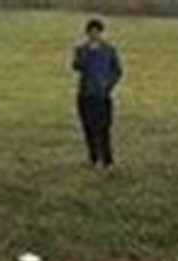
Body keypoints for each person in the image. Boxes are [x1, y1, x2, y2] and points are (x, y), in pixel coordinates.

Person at [72, 18, 123, 167]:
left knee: (104, 127)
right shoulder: (82, 50)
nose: (94, 35)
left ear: (101, 33)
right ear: (87, 34)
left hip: (102, 95)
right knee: (88, 127)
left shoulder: (109, 50)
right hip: (85, 95)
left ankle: (107, 159)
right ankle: (93, 157)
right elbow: (77, 66)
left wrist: (108, 85)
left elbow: (117, 70)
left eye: (97, 32)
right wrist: (86, 54)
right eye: (91, 32)